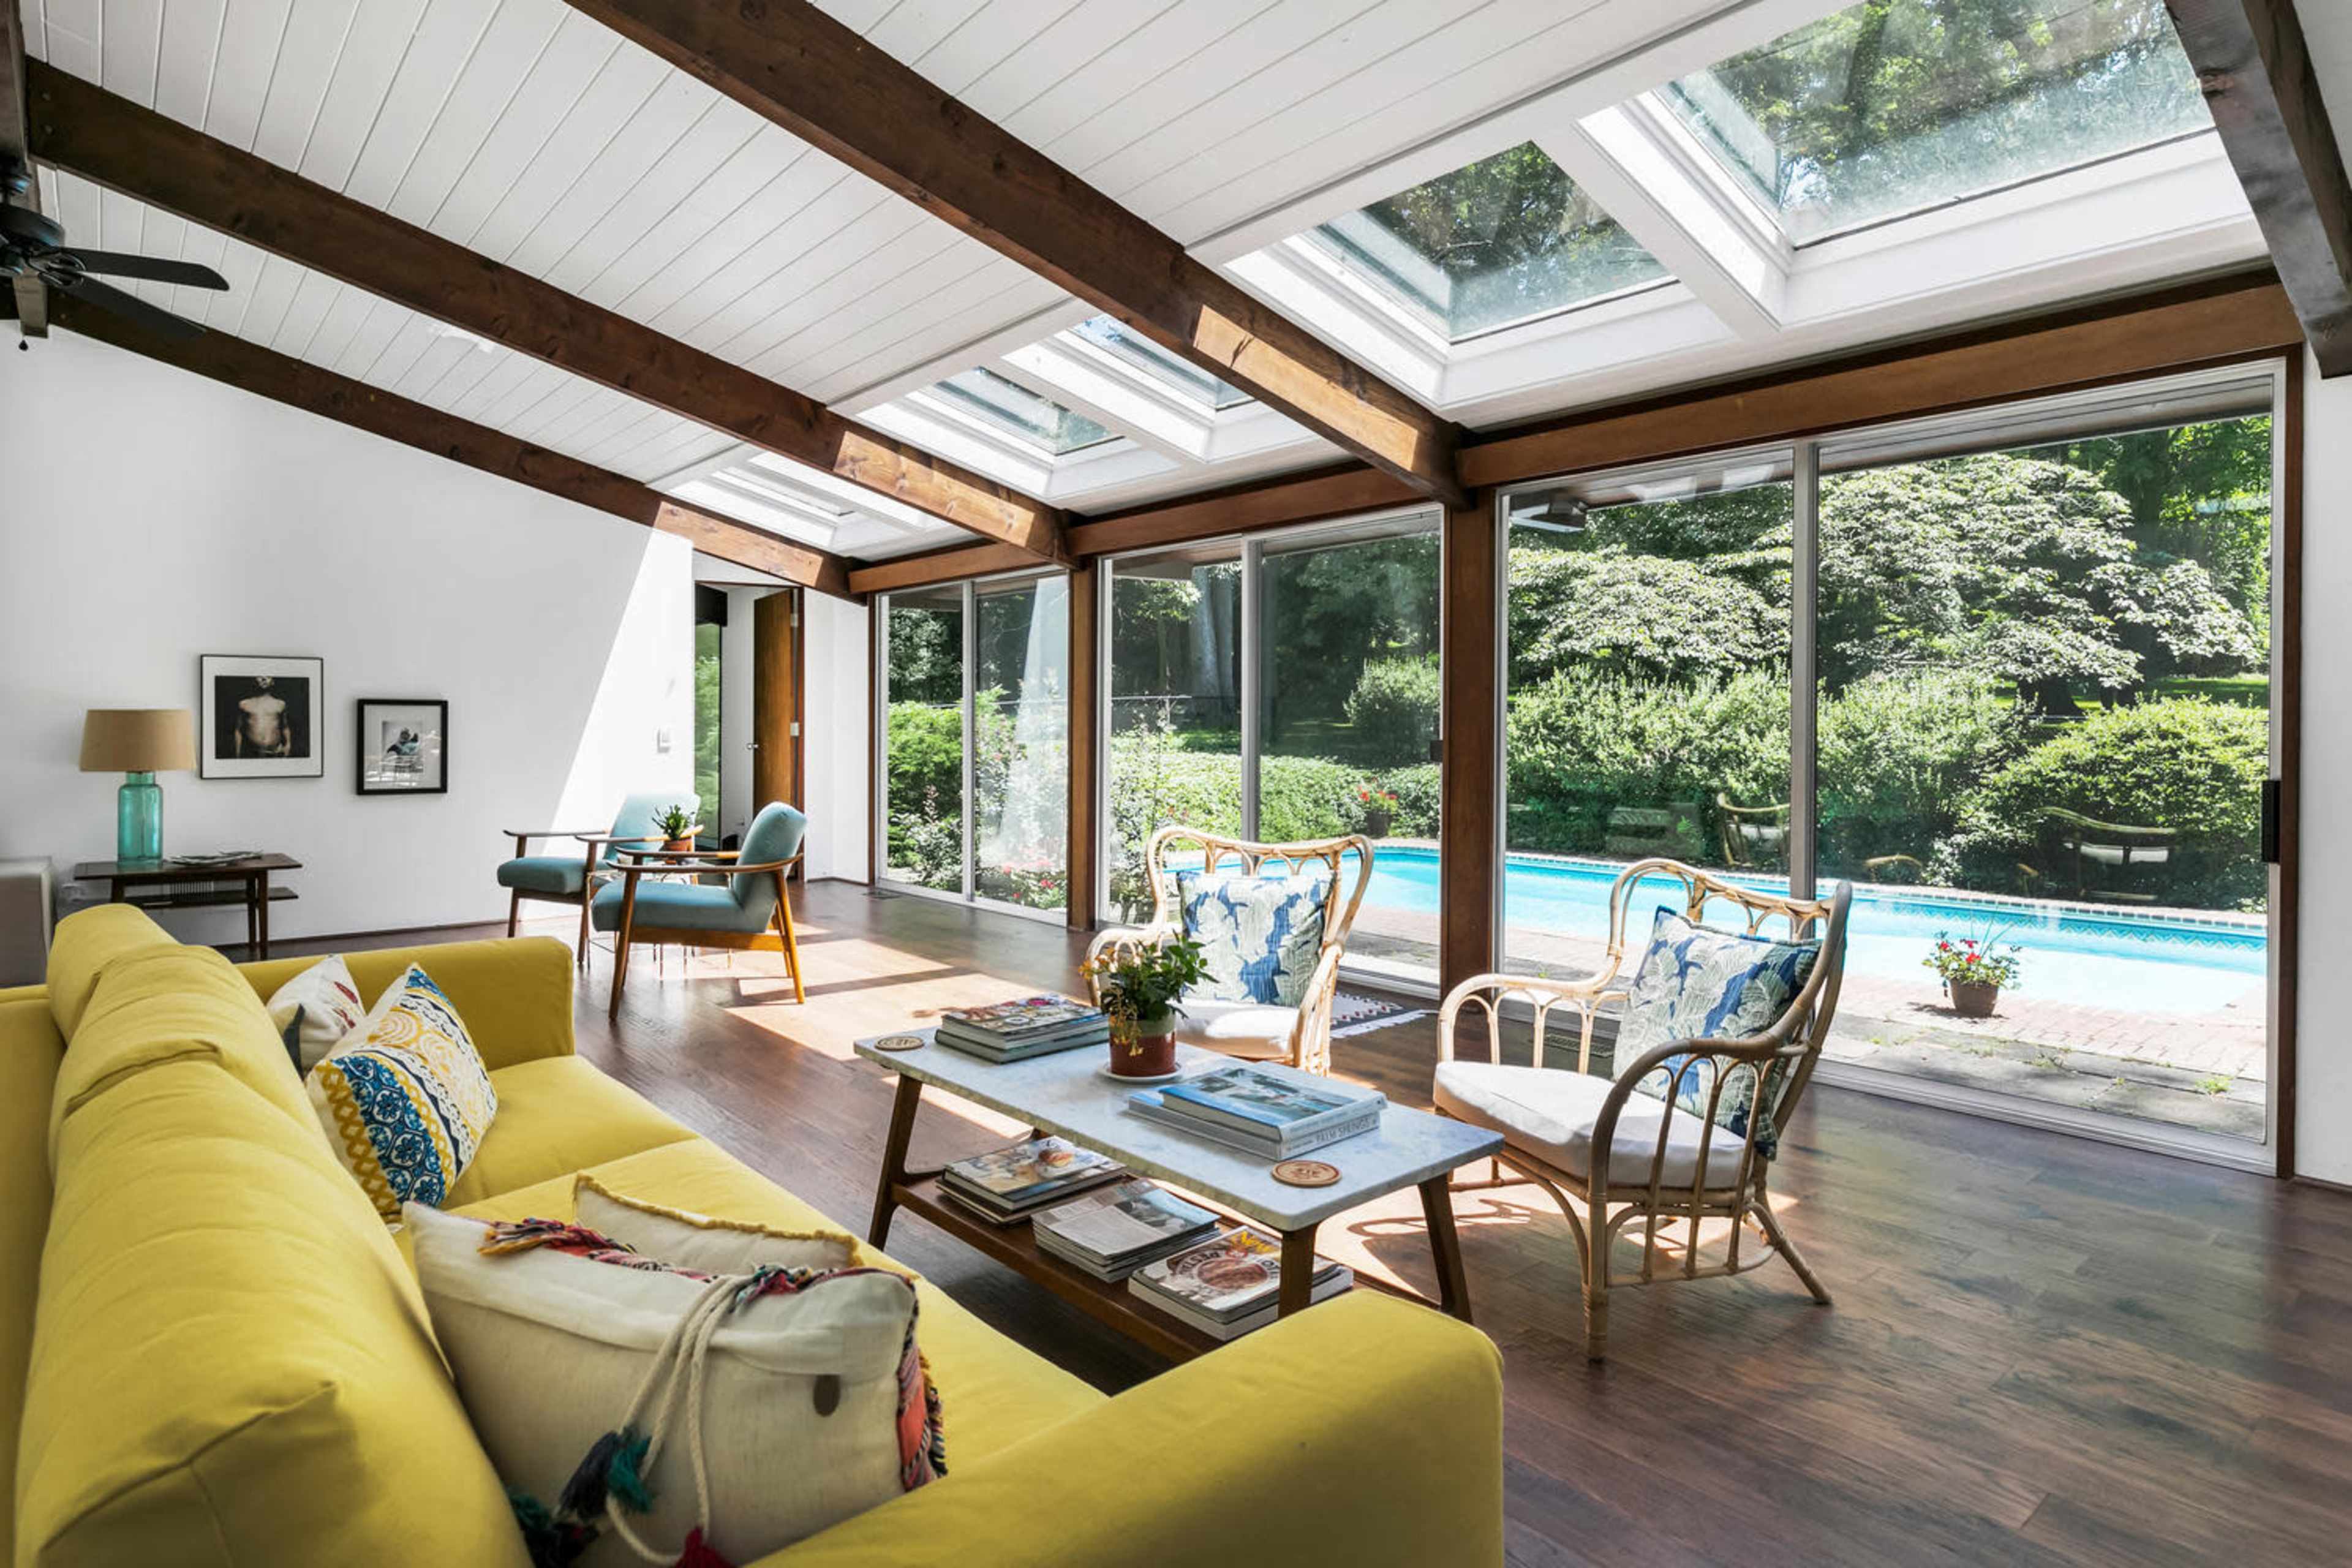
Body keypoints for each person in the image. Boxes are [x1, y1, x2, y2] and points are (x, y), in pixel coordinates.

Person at [232, 676, 293, 758]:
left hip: (275, 753)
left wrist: (288, 745)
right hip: (251, 753)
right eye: (260, 677)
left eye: (268, 677)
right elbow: (238, 730)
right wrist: (238, 754)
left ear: (273, 682)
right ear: (254, 681)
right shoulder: (244, 704)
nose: (264, 679)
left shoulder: (280, 704)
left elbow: (285, 727)